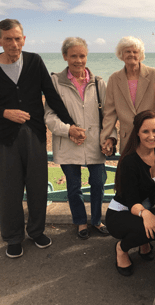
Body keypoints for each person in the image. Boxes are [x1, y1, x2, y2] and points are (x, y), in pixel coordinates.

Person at [0, 19, 83, 258]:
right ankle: (13, 237)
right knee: (7, 189)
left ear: (24, 39)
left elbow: (52, 96)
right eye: (8, 39)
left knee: (37, 186)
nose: (14, 44)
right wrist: (4, 113)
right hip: (3, 137)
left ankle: (36, 231)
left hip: (34, 133)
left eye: (18, 38)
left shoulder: (34, 61)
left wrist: (71, 125)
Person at [45, 37, 113, 239]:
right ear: (65, 56)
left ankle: (96, 220)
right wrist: (68, 130)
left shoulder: (99, 82)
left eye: (82, 55)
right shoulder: (55, 82)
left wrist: (111, 138)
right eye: (73, 55)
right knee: (74, 187)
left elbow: (108, 115)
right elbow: (49, 115)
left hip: (95, 143)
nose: (78, 60)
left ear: (87, 56)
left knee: (98, 182)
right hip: (68, 143)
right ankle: (80, 222)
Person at [106, 110, 155, 277]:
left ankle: (144, 242)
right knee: (146, 228)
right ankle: (121, 249)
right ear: (137, 132)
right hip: (122, 212)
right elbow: (131, 201)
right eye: (146, 131)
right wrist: (146, 214)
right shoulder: (130, 161)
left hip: (146, 208)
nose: (151, 136)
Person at [100, 36, 155, 156]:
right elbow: (110, 113)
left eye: (135, 51)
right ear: (121, 54)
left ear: (140, 55)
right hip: (127, 140)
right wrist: (107, 138)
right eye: (127, 51)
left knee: (153, 173)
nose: (131, 54)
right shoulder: (114, 79)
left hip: (152, 138)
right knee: (129, 173)